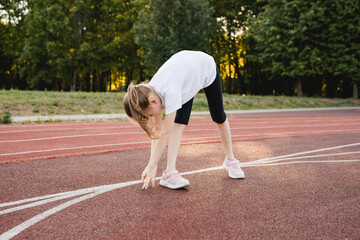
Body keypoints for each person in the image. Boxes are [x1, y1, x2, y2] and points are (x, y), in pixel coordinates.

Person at [123, 50, 245, 190]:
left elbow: (165, 133)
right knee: (178, 123)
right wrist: (154, 162)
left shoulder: (170, 91)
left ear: (152, 102)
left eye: (150, 115)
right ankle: (169, 173)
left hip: (206, 68)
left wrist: (150, 165)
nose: (152, 117)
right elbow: (157, 129)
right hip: (185, 73)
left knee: (219, 117)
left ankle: (230, 160)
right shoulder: (149, 91)